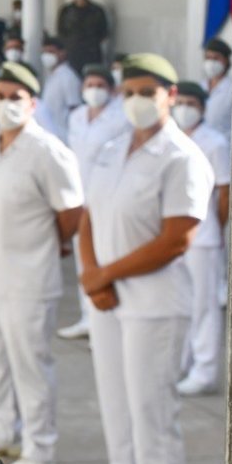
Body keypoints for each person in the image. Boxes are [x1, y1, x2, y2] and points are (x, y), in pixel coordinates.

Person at [79, 54, 213, 464]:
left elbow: (176, 239)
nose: (136, 100)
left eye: (147, 93)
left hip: (154, 306)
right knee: (117, 415)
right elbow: (89, 216)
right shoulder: (112, 149)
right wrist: (91, 276)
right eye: (129, 92)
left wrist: (106, 274)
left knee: (152, 420)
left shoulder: (182, 157)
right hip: (106, 301)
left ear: (170, 96)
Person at [0, 62, 84, 464]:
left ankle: (41, 450)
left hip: (30, 279)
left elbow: (71, 212)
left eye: (15, 98)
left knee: (31, 366)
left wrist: (54, 244)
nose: (5, 105)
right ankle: (4, 429)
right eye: (0, 97)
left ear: (33, 103)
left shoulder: (48, 151)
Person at [59, 64, 130, 340]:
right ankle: (87, 317)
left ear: (112, 90)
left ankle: (106, 322)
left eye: (100, 85)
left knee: (104, 257)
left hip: (105, 197)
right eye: (89, 85)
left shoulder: (120, 117)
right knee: (83, 258)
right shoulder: (76, 116)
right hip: (80, 197)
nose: (94, 90)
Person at [171, 81, 231, 396]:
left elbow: (225, 193)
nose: (184, 108)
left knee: (205, 305)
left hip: (205, 237)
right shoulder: (171, 138)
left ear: (203, 108)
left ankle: (205, 370)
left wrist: (216, 228)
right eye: (179, 101)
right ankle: (183, 362)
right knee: (182, 301)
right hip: (176, 236)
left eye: (190, 103)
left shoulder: (215, 142)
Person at [56, 0, 109, 74]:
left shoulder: (97, 11)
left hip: (92, 55)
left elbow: (104, 33)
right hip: (71, 54)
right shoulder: (66, 11)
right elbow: (61, 32)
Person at [39, 36, 82, 143]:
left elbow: (75, 108)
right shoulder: (52, 75)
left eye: (51, 52)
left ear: (62, 53)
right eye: (44, 52)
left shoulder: (68, 77)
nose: (47, 55)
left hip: (63, 136)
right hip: (50, 134)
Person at [202, 38, 232, 141]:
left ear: (226, 60)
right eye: (208, 58)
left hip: (224, 147)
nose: (211, 62)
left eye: (216, 58)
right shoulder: (200, 87)